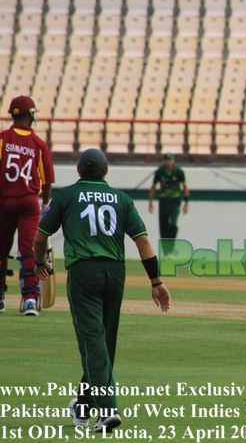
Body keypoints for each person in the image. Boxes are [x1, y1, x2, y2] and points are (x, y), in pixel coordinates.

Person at [34, 149, 170, 432]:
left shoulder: (66, 196)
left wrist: (39, 262)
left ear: (79, 169)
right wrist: (156, 282)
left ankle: (107, 410)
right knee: (104, 342)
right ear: (105, 171)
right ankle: (83, 405)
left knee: (93, 341)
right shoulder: (122, 199)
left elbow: (40, 236)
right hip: (115, 273)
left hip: (84, 271)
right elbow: (143, 242)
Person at [0, 95, 55, 316]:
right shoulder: (38, 144)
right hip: (29, 203)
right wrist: (45, 205)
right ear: (28, 115)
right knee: (29, 251)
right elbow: (48, 180)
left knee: (1, 251)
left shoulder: (2, 139)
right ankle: (30, 298)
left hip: (4, 201)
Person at [148, 153, 189, 255]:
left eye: (170, 160)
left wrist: (186, 203)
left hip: (175, 201)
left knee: (173, 225)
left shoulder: (179, 172)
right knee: (163, 227)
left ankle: (170, 249)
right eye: (166, 160)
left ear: (174, 161)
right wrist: (150, 202)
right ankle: (166, 252)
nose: (168, 162)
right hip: (163, 201)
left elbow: (185, 187)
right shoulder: (160, 172)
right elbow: (153, 187)